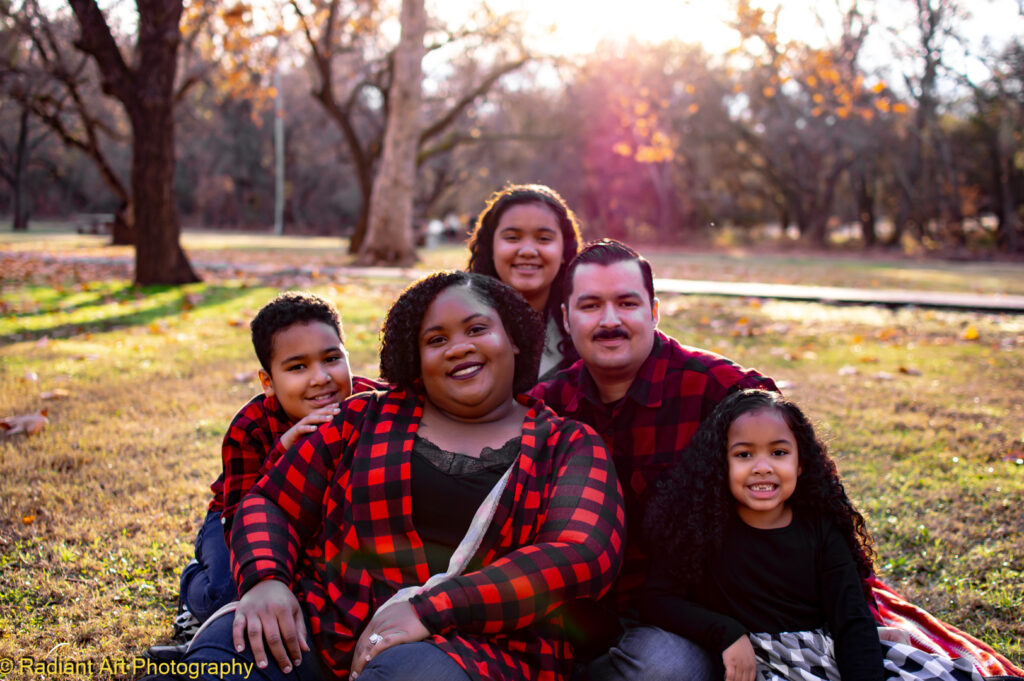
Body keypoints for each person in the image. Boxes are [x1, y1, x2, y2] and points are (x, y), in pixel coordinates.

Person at [165, 271, 626, 681]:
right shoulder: (362, 416)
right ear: (416, 358)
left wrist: (429, 611)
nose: (459, 346)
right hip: (323, 629)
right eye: (436, 339)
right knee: (225, 653)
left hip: (479, 649)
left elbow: (579, 556)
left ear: (515, 339)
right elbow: (269, 502)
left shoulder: (568, 446)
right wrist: (266, 580)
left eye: (477, 329)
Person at [528, 238, 778, 679]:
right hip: (578, 613)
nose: (610, 321)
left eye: (627, 303)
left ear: (654, 312)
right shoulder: (545, 407)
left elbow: (809, 502)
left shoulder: (723, 392)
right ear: (566, 320)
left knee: (663, 671)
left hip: (685, 615)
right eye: (590, 306)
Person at [641, 389, 985, 681]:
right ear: (721, 464)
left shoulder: (820, 528)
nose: (763, 466)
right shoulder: (700, 529)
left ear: (800, 463)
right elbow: (657, 601)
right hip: (757, 666)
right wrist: (726, 632)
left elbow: (851, 619)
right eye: (744, 454)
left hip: (833, 656)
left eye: (779, 452)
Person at [150, 292, 381, 657]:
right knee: (233, 591)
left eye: (332, 359)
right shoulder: (251, 426)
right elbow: (243, 511)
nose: (321, 378)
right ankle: (195, 583)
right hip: (233, 516)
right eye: (297, 367)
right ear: (268, 381)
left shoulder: (370, 402)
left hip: (318, 522)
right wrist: (284, 450)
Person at [467, 183, 583, 381]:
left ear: (564, 250)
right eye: (512, 237)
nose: (528, 251)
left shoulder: (585, 326)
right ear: (491, 248)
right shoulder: (457, 315)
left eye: (544, 238)